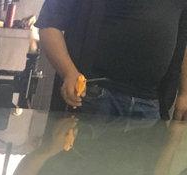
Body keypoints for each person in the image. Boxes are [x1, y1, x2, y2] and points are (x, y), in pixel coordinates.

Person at [37, 0, 187, 119]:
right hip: (93, 95)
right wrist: (69, 73)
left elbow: (183, 41)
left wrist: (184, 93)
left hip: (152, 103)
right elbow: (49, 23)